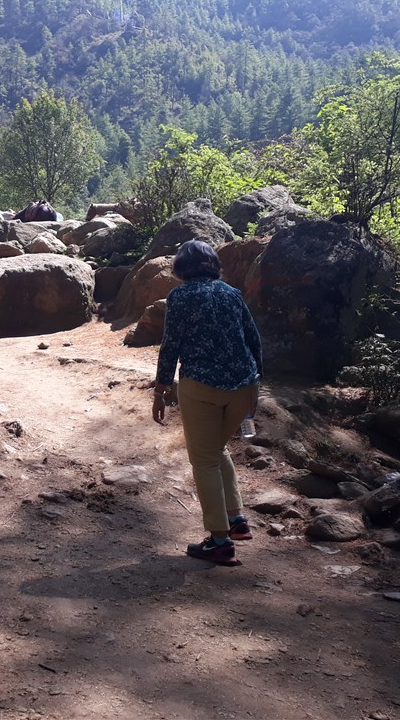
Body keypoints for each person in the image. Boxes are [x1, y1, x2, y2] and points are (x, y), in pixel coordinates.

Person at [152, 240, 262, 565]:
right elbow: (254, 339)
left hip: (201, 386)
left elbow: (170, 345)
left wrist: (160, 391)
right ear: (213, 264)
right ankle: (237, 520)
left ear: (181, 268)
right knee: (217, 449)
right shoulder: (232, 293)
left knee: (204, 461)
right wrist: (256, 386)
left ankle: (220, 541)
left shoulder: (180, 296)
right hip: (243, 386)